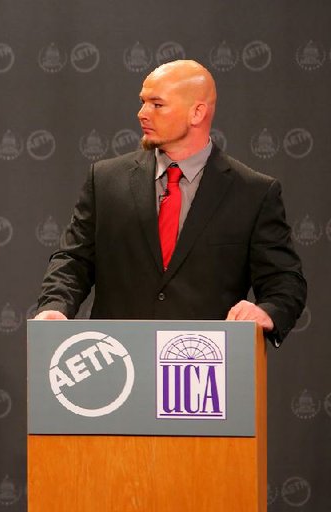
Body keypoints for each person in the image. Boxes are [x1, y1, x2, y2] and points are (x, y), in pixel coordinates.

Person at [35, 59, 306, 346]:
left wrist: (266, 311)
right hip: (117, 365)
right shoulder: (105, 180)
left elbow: (284, 282)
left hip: (202, 367)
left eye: (157, 104)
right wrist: (55, 306)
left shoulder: (253, 192)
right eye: (142, 102)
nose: (142, 113)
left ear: (197, 113)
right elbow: (73, 260)